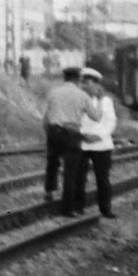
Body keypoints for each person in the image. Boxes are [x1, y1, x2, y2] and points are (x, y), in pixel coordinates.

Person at [68, 66, 117, 221]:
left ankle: (105, 209)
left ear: (96, 84)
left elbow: (110, 121)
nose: (85, 86)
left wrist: (99, 136)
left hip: (101, 144)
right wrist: (83, 135)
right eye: (83, 83)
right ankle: (78, 206)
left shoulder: (106, 101)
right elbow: (74, 120)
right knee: (79, 177)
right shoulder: (77, 100)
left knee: (102, 178)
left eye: (88, 83)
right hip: (83, 143)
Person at [40, 66, 87, 209]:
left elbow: (46, 115)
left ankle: (49, 191)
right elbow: (91, 116)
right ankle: (68, 203)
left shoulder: (53, 92)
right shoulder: (81, 95)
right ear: (78, 79)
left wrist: (48, 131)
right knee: (70, 168)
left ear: (64, 78)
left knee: (52, 162)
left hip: (54, 130)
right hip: (72, 133)